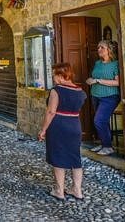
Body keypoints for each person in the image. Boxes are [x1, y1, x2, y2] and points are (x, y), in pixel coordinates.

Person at [38, 63, 86, 200]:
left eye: (54, 75)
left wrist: (43, 130)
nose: (53, 78)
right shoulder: (80, 91)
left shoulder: (56, 90)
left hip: (59, 125)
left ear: (60, 76)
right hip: (75, 125)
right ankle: (77, 190)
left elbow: (51, 111)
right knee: (75, 158)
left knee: (58, 157)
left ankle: (59, 190)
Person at [85, 40, 120, 156]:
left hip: (110, 97)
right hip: (96, 95)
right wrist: (90, 80)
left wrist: (98, 80)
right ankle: (105, 143)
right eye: (98, 47)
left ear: (109, 50)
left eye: (102, 47)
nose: (99, 49)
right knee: (103, 121)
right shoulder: (97, 63)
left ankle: (108, 147)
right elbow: (94, 77)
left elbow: (117, 82)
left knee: (99, 120)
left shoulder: (115, 64)